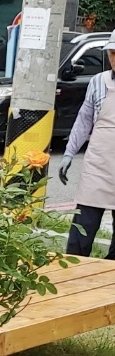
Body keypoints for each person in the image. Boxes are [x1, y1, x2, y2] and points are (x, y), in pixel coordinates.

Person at [59, 33, 115, 259]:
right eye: (112, 53)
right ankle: (73, 273)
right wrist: (69, 153)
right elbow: (83, 120)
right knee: (82, 230)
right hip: (98, 164)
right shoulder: (97, 82)